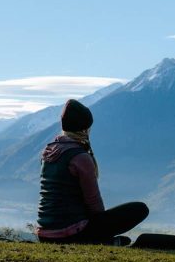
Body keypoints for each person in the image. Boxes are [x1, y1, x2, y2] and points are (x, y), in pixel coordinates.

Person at [36, 99, 148, 246]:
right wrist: (103, 227)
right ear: (85, 129)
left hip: (44, 233)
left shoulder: (48, 151)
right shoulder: (80, 157)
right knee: (140, 209)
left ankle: (104, 240)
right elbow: (93, 203)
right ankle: (100, 240)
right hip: (71, 233)